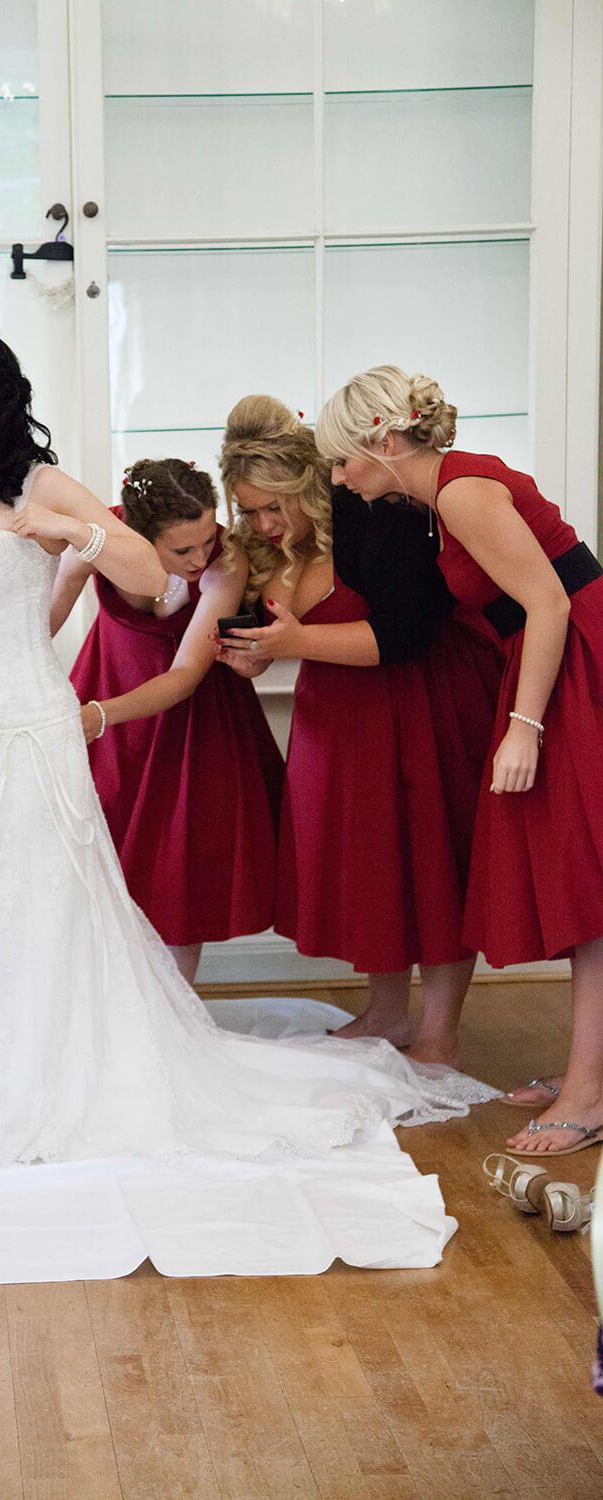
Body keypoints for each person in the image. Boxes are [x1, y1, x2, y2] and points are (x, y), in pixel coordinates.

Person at [0, 334, 498, 1297]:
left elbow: (141, 569)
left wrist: (74, 534)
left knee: (47, 896)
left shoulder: (43, 486)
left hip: (29, 721)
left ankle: (58, 1070)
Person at [315, 365, 603, 1156]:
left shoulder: (462, 493)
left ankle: (587, 1093)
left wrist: (523, 727)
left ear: (384, 441)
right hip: (555, 661)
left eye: (342, 458)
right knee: (581, 876)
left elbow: (550, 603)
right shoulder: (442, 496)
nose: (338, 477)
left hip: (577, 664)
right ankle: (590, 1074)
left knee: (587, 878)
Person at [215, 396, 503, 1068]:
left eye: (273, 507)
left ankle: (440, 1030)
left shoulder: (381, 517)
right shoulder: (269, 549)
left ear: (305, 485)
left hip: (414, 703)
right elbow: (280, 636)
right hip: (336, 719)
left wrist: (292, 643)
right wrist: (255, 655)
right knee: (371, 869)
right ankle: (386, 1011)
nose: (263, 524)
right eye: (250, 511)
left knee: (431, 864)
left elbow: (406, 629)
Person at [52, 457, 284, 984]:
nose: (201, 557)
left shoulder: (226, 561)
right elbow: (42, 623)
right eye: (183, 550)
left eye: (207, 539)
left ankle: (173, 1013)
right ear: (139, 535)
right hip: (108, 678)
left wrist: (98, 716)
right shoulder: (101, 537)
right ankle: (105, 1002)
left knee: (179, 865)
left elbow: (183, 677)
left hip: (192, 713)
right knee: (95, 851)